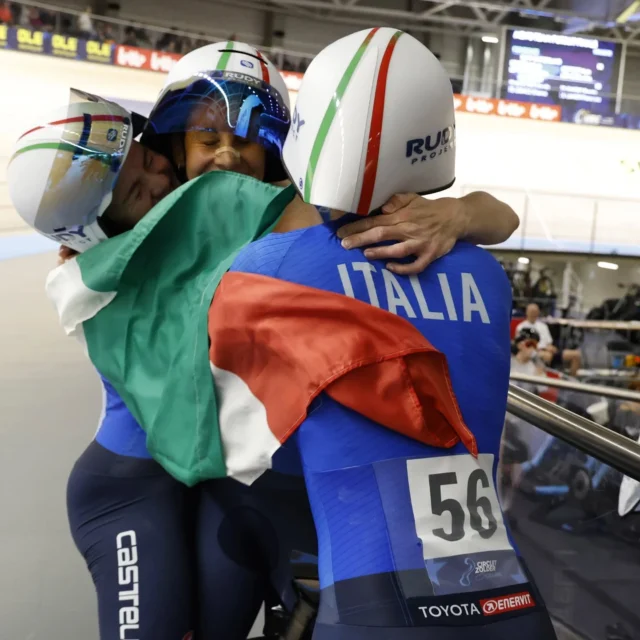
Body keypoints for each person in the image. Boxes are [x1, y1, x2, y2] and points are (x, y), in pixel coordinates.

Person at [9, 45, 521, 640]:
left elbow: (483, 215)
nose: (221, 158)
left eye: (149, 161)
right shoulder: (178, 241)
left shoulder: (258, 221)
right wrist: (459, 214)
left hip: (211, 484)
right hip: (149, 487)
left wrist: (454, 214)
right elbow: (480, 216)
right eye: (204, 141)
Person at [204, 27, 556, 639]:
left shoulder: (268, 272)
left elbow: (254, 448)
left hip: (376, 605)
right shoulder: (489, 275)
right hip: (507, 598)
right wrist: (469, 211)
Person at [516, 303, 581, 376]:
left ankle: (572, 380)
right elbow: (521, 346)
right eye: (532, 312)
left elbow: (549, 342)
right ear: (527, 312)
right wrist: (540, 349)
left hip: (548, 351)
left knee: (576, 354)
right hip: (535, 351)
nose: (534, 314)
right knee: (546, 356)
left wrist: (551, 348)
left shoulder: (543, 326)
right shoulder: (521, 327)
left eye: (535, 312)